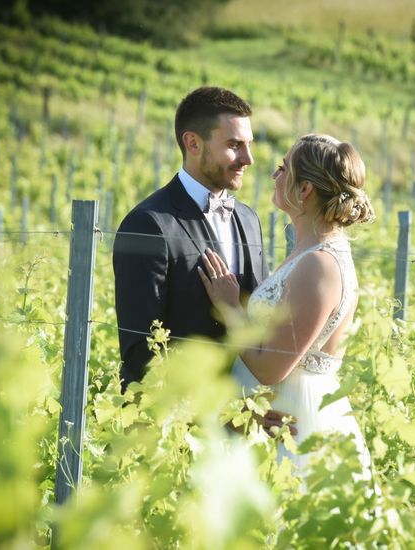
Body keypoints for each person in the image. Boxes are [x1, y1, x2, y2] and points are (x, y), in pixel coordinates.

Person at [198, 133, 375, 477]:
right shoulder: (309, 252)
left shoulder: (320, 264)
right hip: (270, 414)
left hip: (293, 421)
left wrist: (229, 307)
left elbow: (270, 369)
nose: (274, 176)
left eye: (283, 168)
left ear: (305, 189)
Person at [113, 86, 288, 432]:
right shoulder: (149, 223)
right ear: (193, 143)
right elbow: (141, 352)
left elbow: (255, 325)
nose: (249, 159)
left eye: (249, 144)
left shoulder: (249, 220)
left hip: (243, 428)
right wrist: (218, 416)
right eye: (234, 145)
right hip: (172, 429)